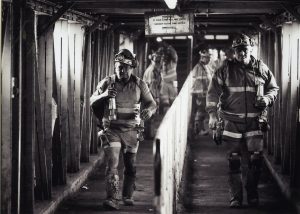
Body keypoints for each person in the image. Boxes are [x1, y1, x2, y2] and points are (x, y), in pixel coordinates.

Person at [206, 34, 279, 208]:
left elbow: (273, 88)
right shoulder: (225, 70)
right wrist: (212, 115)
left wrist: (267, 99)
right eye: (238, 50)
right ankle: (236, 197)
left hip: (255, 122)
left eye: (245, 49)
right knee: (234, 160)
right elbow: (212, 93)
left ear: (251, 48)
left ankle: (252, 194)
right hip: (232, 123)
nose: (242, 53)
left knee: (255, 159)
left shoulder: (261, 68)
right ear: (234, 52)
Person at [90, 49, 157, 210]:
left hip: (131, 131)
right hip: (111, 129)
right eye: (119, 67)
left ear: (132, 68)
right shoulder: (107, 82)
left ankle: (127, 195)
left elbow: (152, 103)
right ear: (115, 67)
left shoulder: (139, 84)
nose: (122, 70)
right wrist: (105, 95)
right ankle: (112, 198)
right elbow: (92, 100)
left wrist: (149, 111)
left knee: (130, 165)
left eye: (126, 67)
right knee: (113, 162)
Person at [190, 47, 212, 137]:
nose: (209, 59)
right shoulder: (199, 67)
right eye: (207, 57)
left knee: (202, 111)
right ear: (202, 58)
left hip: (204, 93)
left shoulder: (204, 67)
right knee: (200, 111)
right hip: (200, 93)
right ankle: (198, 129)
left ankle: (200, 128)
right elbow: (199, 82)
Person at [159, 44, 178, 113]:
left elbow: (174, 54)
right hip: (164, 84)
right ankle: (166, 117)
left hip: (172, 83)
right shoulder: (163, 62)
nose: (164, 57)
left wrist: (169, 48)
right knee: (165, 103)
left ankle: (173, 116)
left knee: (173, 102)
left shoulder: (173, 61)